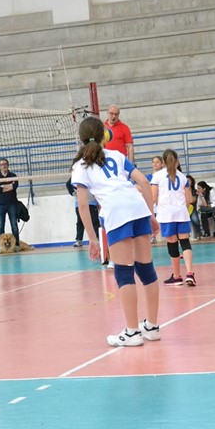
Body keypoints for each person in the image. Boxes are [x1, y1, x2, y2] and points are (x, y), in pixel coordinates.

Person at [70, 116, 161, 347]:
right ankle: (152, 327)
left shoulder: (80, 166)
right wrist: (151, 214)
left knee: (124, 272)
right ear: (104, 135)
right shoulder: (117, 155)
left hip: (117, 213)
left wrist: (92, 239)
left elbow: (83, 206)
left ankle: (132, 333)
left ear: (81, 139)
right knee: (146, 269)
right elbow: (143, 181)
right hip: (137, 206)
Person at [152, 149, 196, 287]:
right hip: (181, 213)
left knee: (172, 244)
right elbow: (189, 200)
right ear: (177, 160)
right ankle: (190, 273)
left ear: (163, 162)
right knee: (185, 242)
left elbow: (153, 197)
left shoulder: (157, 176)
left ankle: (177, 276)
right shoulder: (183, 177)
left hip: (166, 214)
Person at [0, 158, 21, 248]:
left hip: (12, 203)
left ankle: (16, 246)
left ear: (8, 165)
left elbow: (15, 186)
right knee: (0, 226)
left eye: (5, 164)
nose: (4, 166)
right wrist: (9, 186)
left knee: (14, 225)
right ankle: (1, 247)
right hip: (0, 205)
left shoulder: (13, 175)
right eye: (2, 164)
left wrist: (3, 187)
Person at [66, 177, 100, 247]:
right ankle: (79, 240)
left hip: (92, 202)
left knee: (95, 221)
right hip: (80, 203)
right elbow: (68, 184)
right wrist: (73, 193)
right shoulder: (77, 175)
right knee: (80, 222)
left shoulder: (92, 175)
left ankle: (97, 238)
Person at [146, 156, 163, 243]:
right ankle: (153, 236)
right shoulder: (148, 177)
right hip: (152, 202)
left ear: (162, 164)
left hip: (162, 201)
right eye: (153, 162)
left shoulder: (164, 176)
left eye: (157, 162)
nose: (155, 164)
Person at [186, 174, 202, 239]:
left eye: (189, 181)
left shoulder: (194, 191)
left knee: (195, 220)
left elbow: (192, 200)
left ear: (192, 182)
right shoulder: (181, 191)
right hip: (184, 209)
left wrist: (189, 191)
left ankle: (199, 234)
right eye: (186, 181)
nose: (187, 182)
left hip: (192, 208)